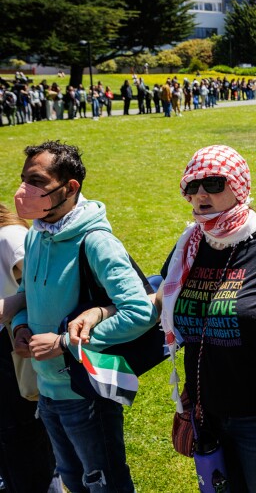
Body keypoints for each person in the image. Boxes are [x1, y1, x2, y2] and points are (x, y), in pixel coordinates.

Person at [152, 145, 256, 492]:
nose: (200, 194)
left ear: (239, 185)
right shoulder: (190, 246)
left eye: (213, 183)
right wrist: (102, 312)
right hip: (205, 408)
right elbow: (160, 300)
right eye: (191, 186)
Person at [9, 141, 156, 493]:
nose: (23, 190)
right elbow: (33, 295)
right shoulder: (37, 235)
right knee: (72, 479)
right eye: (23, 179)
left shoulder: (96, 241)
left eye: (36, 181)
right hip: (48, 392)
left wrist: (63, 343)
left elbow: (140, 311)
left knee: (105, 483)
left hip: (86, 394)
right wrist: (21, 326)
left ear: (70, 187)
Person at [0, 204, 62, 493]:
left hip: (14, 345)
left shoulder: (9, 236)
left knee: (24, 438)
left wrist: (13, 309)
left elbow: (46, 283)